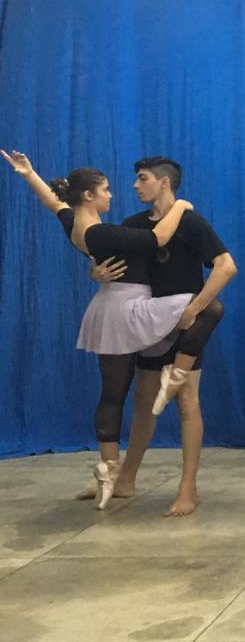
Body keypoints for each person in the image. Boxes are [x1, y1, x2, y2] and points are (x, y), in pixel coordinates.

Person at [2, 151, 222, 508]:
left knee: (119, 394)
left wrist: (29, 174)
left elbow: (54, 203)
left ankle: (120, 474)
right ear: (89, 195)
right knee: (207, 312)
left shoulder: (80, 225)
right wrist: (182, 206)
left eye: (140, 179)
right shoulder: (108, 230)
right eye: (105, 189)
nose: (116, 192)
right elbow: (157, 239)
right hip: (136, 311)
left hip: (119, 311)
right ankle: (121, 471)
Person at [80, 156, 237, 516]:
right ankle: (126, 478)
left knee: (187, 402)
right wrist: (96, 274)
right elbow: (107, 265)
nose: (135, 185)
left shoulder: (191, 222)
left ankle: (188, 488)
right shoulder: (134, 225)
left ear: (164, 182)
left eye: (142, 178)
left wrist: (195, 308)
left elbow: (226, 266)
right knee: (144, 403)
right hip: (148, 322)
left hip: (186, 326)